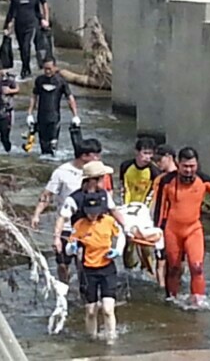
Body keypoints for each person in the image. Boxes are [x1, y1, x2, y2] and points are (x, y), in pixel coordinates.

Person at [152, 147, 210, 306]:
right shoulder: (167, 181)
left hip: (193, 229)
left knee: (197, 267)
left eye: (192, 166)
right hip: (172, 230)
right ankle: (171, 300)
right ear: (178, 164)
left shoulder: (204, 180)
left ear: (197, 165)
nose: (189, 170)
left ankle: (198, 301)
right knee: (174, 268)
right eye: (185, 166)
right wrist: (158, 230)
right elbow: (160, 208)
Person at [31, 140, 102, 283]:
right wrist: (36, 215)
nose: (98, 159)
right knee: (63, 262)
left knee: (84, 262)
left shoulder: (98, 172)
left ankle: (84, 288)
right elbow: (47, 195)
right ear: (84, 156)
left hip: (88, 224)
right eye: (95, 155)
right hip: (66, 225)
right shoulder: (62, 172)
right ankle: (65, 286)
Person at [66, 192, 124, 344]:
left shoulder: (109, 221)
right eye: (89, 212)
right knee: (91, 311)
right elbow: (68, 249)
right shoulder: (79, 225)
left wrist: (117, 250)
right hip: (88, 271)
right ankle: (91, 339)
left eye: (95, 211)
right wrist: (72, 247)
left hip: (107, 269)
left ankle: (111, 339)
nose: (92, 215)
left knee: (107, 309)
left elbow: (121, 236)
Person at [117, 138, 161, 273]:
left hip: (144, 211)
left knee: (145, 243)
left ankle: (149, 270)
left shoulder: (154, 171)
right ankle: (129, 270)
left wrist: (146, 212)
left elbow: (152, 195)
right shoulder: (125, 166)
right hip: (128, 208)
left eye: (150, 154)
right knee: (128, 240)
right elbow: (123, 188)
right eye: (145, 153)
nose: (148, 157)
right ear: (137, 152)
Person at [27, 57, 78, 155]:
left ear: (55, 67)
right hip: (41, 118)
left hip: (54, 118)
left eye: (49, 69)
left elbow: (70, 98)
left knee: (52, 146)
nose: (47, 71)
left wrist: (75, 115)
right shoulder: (39, 80)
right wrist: (29, 114)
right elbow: (34, 96)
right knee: (44, 148)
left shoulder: (61, 81)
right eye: (45, 69)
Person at [3, 0, 49, 78]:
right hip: (19, 25)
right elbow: (11, 12)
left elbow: (39, 9)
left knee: (26, 46)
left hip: (31, 24)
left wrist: (44, 19)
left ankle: (26, 69)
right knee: (22, 47)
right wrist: (6, 26)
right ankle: (25, 66)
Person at [151, 144, 177, 288]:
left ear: (169, 157)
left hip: (177, 224)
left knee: (178, 261)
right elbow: (154, 202)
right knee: (160, 259)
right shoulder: (159, 180)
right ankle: (161, 289)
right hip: (162, 223)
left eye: (159, 160)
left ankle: (174, 286)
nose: (157, 163)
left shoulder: (182, 177)